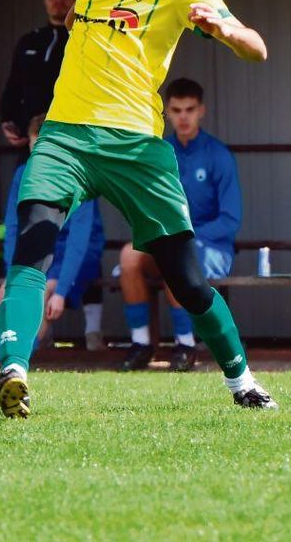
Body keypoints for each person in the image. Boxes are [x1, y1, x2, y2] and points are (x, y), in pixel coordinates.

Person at [0, 0, 276, 418]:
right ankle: (14, 370)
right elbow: (84, 12)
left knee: (188, 283)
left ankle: (242, 381)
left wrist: (223, 31)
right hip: (64, 137)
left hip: (136, 149)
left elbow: (256, 48)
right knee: (31, 246)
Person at [118, 78, 241, 372]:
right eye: (176, 110)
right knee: (129, 255)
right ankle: (140, 344)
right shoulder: (157, 152)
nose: (183, 116)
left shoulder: (218, 155)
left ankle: (185, 345)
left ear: (202, 111)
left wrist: (186, 236)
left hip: (211, 246)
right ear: (167, 113)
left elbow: (230, 219)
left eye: (190, 109)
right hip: (169, 238)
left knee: (178, 252)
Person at [0, 114, 106, 371]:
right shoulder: (22, 175)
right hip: (39, 250)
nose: (39, 160)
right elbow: (14, 229)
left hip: (76, 258)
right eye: (33, 150)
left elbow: (79, 242)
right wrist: (10, 276)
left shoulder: (80, 176)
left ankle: (11, 364)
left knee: (43, 292)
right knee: (12, 293)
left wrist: (61, 291)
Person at [0, 0, 76, 150]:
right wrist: (8, 120)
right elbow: (13, 86)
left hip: (73, 139)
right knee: (23, 178)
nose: (59, 0)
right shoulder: (28, 41)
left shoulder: (85, 40)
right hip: (32, 141)